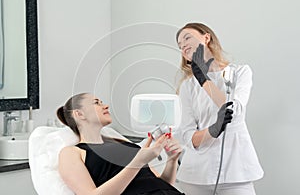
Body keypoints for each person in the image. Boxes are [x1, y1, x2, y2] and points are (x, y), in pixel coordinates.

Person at [175, 23, 264, 195]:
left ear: (206, 38)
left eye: (187, 37)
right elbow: (187, 135)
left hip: (236, 171)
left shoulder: (240, 73)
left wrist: (204, 79)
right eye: (179, 45)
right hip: (196, 176)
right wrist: (212, 131)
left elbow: (234, 112)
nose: (183, 45)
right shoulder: (187, 86)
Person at [56, 92, 185, 195]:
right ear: (79, 114)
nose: (105, 106)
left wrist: (172, 160)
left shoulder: (125, 144)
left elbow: (160, 183)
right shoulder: (71, 152)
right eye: (97, 103)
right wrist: (137, 163)